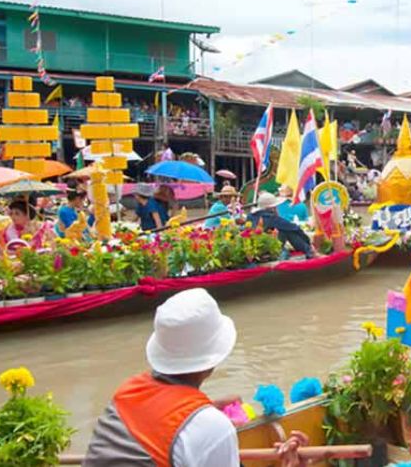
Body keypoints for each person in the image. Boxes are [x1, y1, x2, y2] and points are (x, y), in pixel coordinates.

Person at [83, 288, 242, 466]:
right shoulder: (214, 427)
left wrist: (207, 409)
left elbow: (156, 422)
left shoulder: (128, 391)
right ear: (213, 359)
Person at [248, 192, 316, 257]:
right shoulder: (271, 218)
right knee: (288, 231)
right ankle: (308, 250)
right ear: (272, 208)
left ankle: (308, 249)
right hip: (265, 248)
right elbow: (295, 228)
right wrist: (308, 242)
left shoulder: (251, 216)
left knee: (285, 229)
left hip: (254, 247)